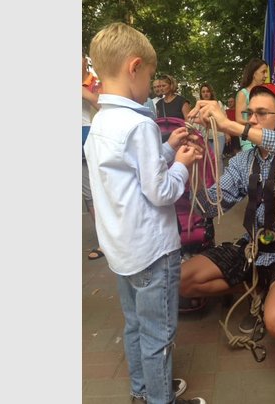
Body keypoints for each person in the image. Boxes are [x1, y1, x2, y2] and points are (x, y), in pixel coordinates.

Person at [84, 22, 206, 404]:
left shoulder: (101, 122)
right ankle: (160, 399)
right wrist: (183, 164)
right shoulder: (139, 124)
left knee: (135, 325)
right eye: (151, 76)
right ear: (134, 67)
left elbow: (132, 174)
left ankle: (142, 390)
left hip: (123, 251)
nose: (151, 84)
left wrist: (168, 148)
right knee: (159, 336)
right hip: (153, 252)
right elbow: (161, 191)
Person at [179, 83, 275, 348]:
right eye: (249, 113)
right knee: (182, 281)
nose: (252, 119)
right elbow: (210, 207)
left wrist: (229, 125)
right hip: (252, 248)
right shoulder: (243, 162)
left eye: (261, 113)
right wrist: (190, 169)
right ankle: (257, 289)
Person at [82, 54, 104, 261]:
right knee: (88, 194)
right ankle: (103, 239)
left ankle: (106, 241)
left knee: (99, 190)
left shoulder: (95, 82)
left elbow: (103, 106)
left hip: (90, 139)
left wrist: (85, 93)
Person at [235, 59, 268, 151]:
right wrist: (258, 122)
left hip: (263, 138)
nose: (266, 76)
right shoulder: (243, 93)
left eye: (266, 72)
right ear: (254, 73)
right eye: (263, 72)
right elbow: (239, 119)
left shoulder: (263, 93)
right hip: (249, 140)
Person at [199, 83, 228, 175]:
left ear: (211, 92)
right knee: (209, 159)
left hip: (218, 134)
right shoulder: (199, 106)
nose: (205, 93)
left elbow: (224, 119)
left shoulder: (217, 104)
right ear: (201, 94)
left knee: (217, 158)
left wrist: (227, 134)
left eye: (207, 91)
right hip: (205, 136)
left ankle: (221, 180)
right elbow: (197, 124)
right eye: (203, 92)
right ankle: (212, 180)